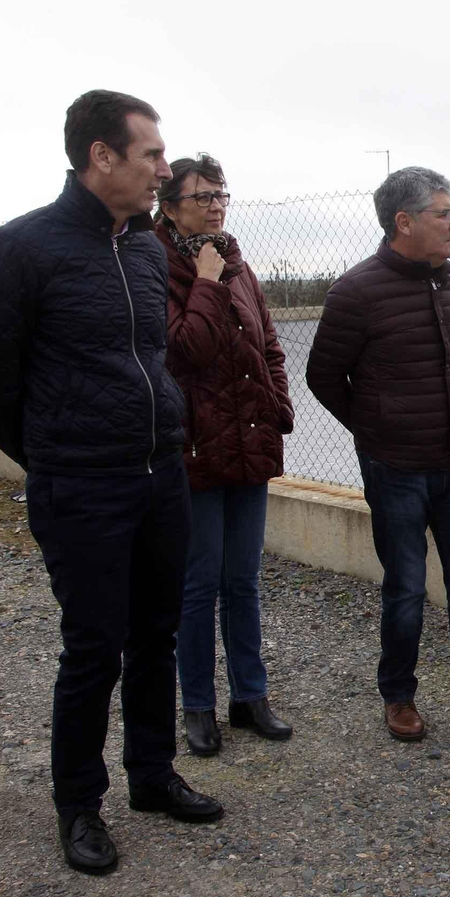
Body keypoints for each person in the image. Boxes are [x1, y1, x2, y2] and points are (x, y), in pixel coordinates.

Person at [0, 89, 224, 877]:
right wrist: (53, 453)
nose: (163, 171)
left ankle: (152, 775)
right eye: (151, 155)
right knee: (93, 647)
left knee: (156, 634)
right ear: (100, 156)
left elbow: (152, 357)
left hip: (159, 476)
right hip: (82, 486)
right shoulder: (20, 249)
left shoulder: (144, 248)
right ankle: (79, 805)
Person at [307, 166, 450, 741]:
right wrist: (375, 427)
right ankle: (398, 696)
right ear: (404, 222)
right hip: (394, 467)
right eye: (443, 214)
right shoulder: (355, 291)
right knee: (405, 587)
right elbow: (322, 376)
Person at [155, 153, 294, 756]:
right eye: (202, 197)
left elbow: (269, 345)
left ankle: (249, 696)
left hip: (250, 439)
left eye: (221, 195)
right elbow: (184, 349)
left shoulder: (237, 264)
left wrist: (279, 406)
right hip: (194, 449)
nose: (216, 206)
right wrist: (206, 282)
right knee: (199, 583)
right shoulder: (156, 266)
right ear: (170, 207)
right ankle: (198, 705)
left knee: (243, 579)